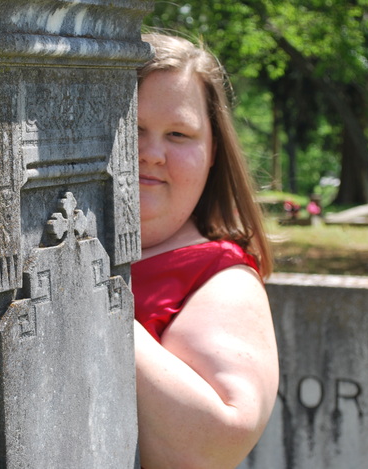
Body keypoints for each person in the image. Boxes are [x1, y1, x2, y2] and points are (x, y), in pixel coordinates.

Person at [132, 33, 279, 469]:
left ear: (213, 150)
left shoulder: (222, 276)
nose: (151, 153)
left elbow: (215, 443)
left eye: (178, 134)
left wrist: (84, 295)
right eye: (131, 128)